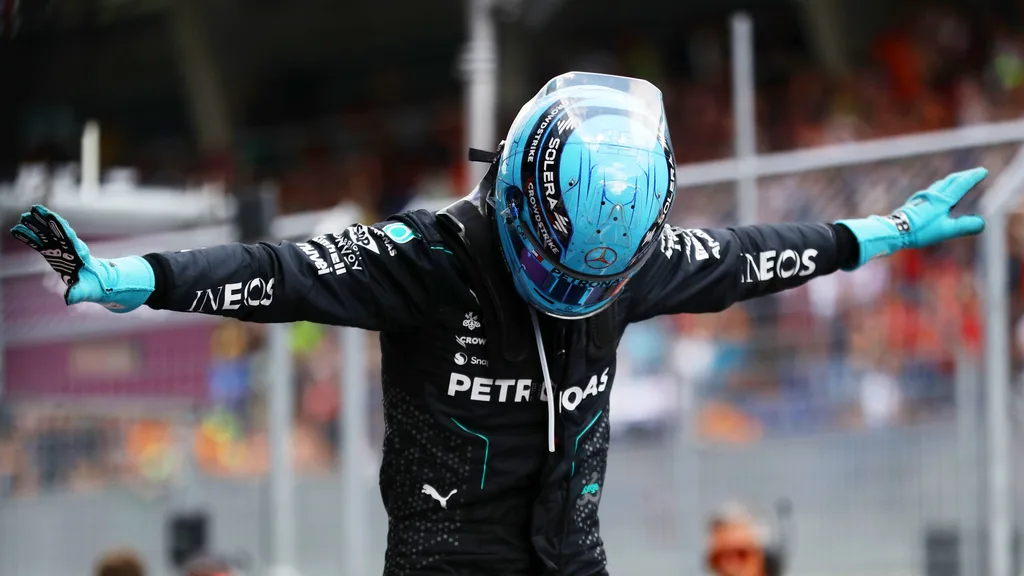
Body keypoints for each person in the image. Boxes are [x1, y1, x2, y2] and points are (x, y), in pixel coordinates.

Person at [12, 72, 987, 576]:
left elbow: (751, 255)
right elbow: (281, 272)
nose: (570, 287)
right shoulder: (425, 258)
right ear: (518, 187)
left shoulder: (637, 261)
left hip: (572, 558)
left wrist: (888, 231)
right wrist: (139, 276)